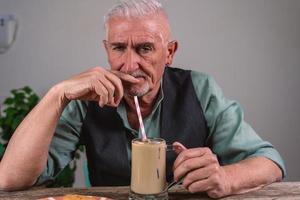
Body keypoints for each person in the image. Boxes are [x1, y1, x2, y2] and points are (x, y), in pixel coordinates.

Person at [0, 0, 285, 198]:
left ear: (170, 52)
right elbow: (9, 180)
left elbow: (270, 162)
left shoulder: (200, 88)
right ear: (106, 49)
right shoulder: (83, 100)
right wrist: (56, 94)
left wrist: (227, 178)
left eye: (145, 48)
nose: (130, 64)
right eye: (119, 48)